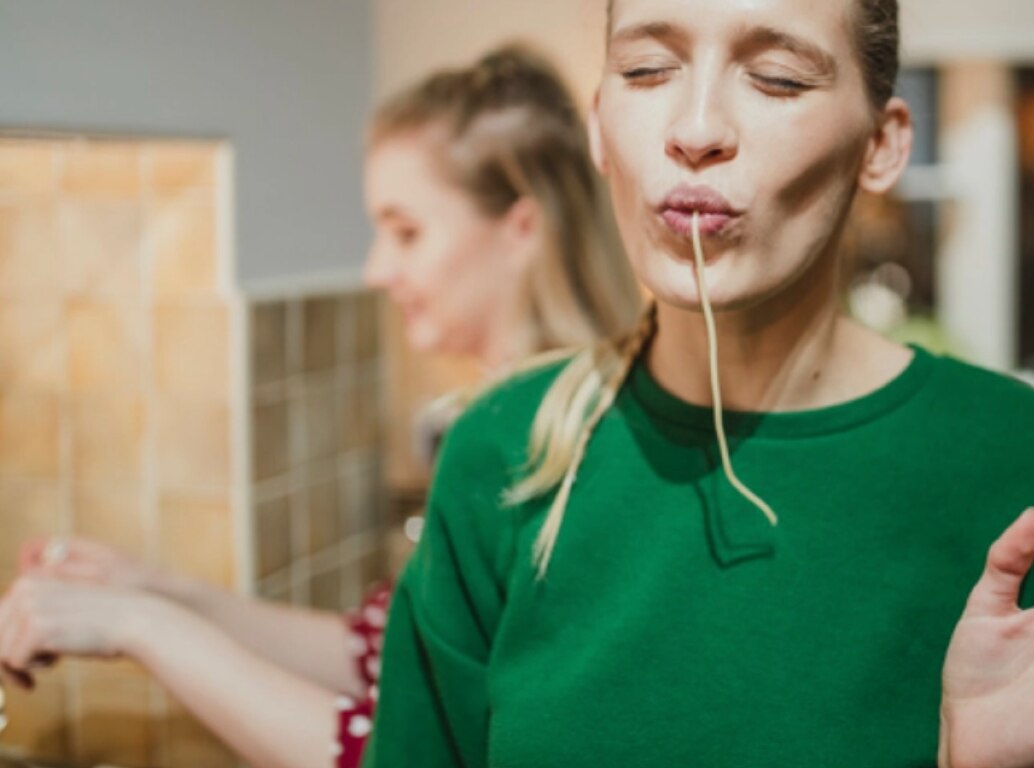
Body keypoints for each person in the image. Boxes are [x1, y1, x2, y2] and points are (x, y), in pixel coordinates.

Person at [363, 0, 1034, 767]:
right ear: (597, 127)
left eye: (775, 79)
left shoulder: (1019, 463)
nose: (696, 130)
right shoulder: (500, 455)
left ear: (881, 147)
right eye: (647, 70)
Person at [0, 43, 641, 768]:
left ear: (521, 228)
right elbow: (388, 655)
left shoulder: (557, 450)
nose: (376, 269)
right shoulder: (516, 421)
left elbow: (395, 749)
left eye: (406, 232)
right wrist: (159, 590)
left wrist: (139, 625)